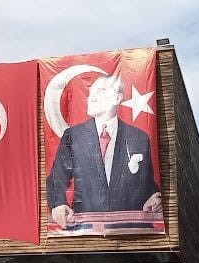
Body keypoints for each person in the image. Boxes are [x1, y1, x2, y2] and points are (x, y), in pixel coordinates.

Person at [47, 74, 163, 226]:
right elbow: (56, 179)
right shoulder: (73, 136)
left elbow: (146, 182)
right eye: (90, 93)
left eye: (100, 91)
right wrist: (58, 204)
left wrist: (154, 197)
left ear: (117, 98)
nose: (92, 98)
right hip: (85, 230)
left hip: (131, 230)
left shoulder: (139, 137)